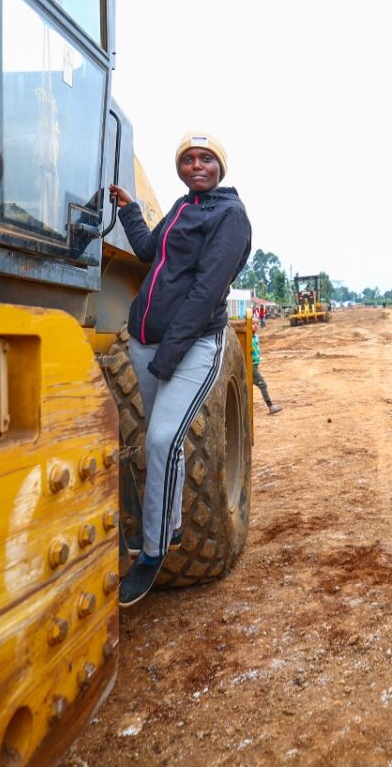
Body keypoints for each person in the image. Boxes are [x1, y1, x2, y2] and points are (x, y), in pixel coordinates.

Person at [108, 131, 252, 607]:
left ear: (220, 166)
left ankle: (151, 555)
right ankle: (167, 527)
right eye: (188, 159)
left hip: (191, 347)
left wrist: (168, 354)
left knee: (162, 440)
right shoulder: (181, 207)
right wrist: (130, 209)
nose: (196, 166)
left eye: (205, 158)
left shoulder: (230, 216)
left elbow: (206, 291)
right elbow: (151, 252)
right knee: (160, 441)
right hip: (147, 343)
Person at [252, 331, 282, 415]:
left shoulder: (256, 337)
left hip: (255, 366)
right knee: (263, 385)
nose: (255, 325)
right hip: (252, 367)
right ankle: (271, 407)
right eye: (253, 323)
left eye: (257, 323)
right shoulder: (248, 338)